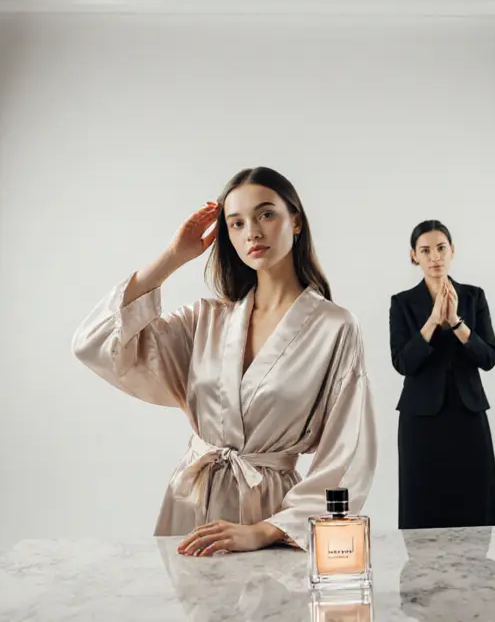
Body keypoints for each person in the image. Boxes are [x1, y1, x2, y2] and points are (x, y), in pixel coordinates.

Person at [71, 166, 377, 556]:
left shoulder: (335, 327)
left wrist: (266, 531)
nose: (252, 231)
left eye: (266, 214)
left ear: (295, 221)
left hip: (270, 516)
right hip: (190, 501)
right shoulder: (206, 319)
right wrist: (172, 257)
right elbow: (95, 343)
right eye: (236, 223)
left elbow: (347, 454)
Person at [389, 220, 495, 529]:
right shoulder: (401, 303)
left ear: (452, 251)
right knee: (423, 504)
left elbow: (488, 357)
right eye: (425, 250)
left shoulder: (474, 297)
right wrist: (430, 323)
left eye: (441, 248)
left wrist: (455, 322)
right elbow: (402, 363)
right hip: (420, 418)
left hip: (469, 412)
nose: (434, 257)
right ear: (414, 256)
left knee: (476, 501)